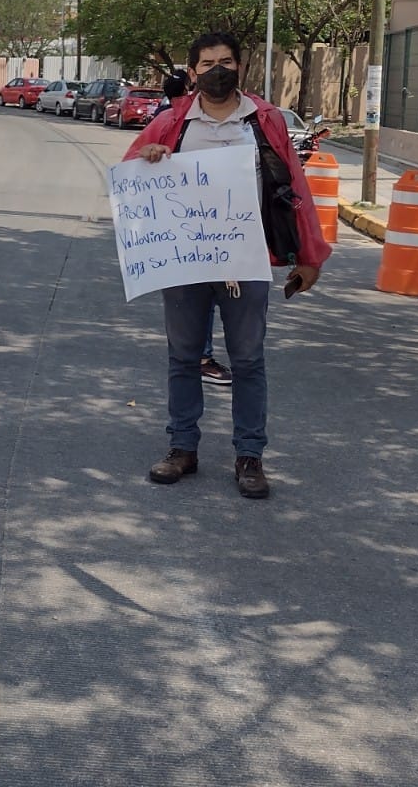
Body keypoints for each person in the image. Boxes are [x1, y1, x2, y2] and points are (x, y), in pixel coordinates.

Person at [125, 32, 332, 499]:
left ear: (241, 67)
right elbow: (132, 173)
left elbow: (294, 188)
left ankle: (249, 456)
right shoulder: (173, 122)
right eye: (207, 63)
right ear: (192, 71)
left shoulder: (265, 121)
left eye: (226, 61)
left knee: (248, 360)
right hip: (184, 263)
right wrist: (150, 156)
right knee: (183, 358)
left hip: (246, 261)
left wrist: (309, 256)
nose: (217, 70)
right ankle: (182, 448)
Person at [160, 68, 233, 387]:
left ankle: (197, 355)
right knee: (201, 299)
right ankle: (200, 357)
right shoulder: (174, 121)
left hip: (214, 227)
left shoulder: (172, 115)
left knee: (205, 299)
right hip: (191, 229)